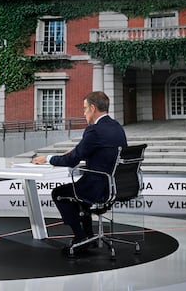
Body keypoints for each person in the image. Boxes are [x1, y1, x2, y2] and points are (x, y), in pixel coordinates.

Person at [32, 91, 127, 256]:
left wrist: (47, 158)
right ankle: (88, 236)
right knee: (78, 196)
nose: (83, 113)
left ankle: (81, 237)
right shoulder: (117, 127)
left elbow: (71, 161)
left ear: (92, 108)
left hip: (96, 186)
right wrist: (76, 151)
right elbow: (96, 150)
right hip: (114, 185)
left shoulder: (94, 130)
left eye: (84, 109)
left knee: (59, 193)